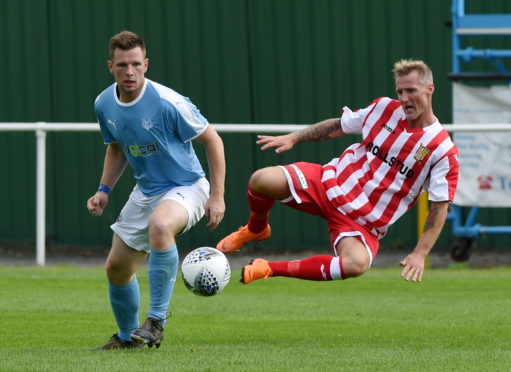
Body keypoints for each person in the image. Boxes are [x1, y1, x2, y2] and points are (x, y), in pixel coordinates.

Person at [217, 59, 458, 286]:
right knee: (261, 180)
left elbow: (439, 207)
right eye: (400, 92)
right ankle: (257, 229)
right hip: (327, 182)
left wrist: (420, 253)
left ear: (430, 89)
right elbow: (338, 126)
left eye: (411, 91)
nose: (404, 98)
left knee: (356, 264)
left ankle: (268, 268)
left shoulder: (442, 149)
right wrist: (295, 137)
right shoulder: (383, 108)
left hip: (362, 221)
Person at [87, 31, 225, 350]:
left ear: (146, 64)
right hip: (146, 191)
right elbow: (116, 148)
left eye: (136, 64)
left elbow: (213, 141)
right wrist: (104, 190)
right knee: (116, 268)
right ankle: (126, 338)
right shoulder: (103, 103)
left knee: (161, 226)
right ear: (111, 66)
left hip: (187, 186)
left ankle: (156, 321)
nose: (129, 71)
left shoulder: (168, 102)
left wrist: (216, 196)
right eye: (122, 65)